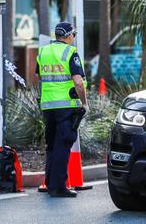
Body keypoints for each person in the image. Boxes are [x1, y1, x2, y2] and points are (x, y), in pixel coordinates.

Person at [36, 22, 88, 198]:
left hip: (48, 105)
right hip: (66, 105)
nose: (74, 38)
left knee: (51, 145)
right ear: (68, 36)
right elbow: (79, 82)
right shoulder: (70, 52)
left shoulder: (43, 51)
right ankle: (58, 187)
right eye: (74, 34)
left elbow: (39, 76)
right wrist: (84, 103)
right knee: (63, 145)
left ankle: (50, 183)